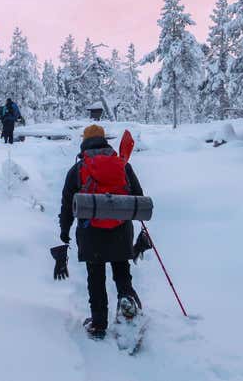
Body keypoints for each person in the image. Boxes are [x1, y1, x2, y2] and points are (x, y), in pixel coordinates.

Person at [56, 124, 147, 340]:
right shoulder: (123, 165)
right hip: (120, 230)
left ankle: (98, 324)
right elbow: (138, 195)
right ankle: (126, 301)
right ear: (104, 140)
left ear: (84, 142)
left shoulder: (77, 169)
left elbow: (68, 205)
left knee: (95, 278)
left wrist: (64, 231)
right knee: (121, 271)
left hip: (91, 233)